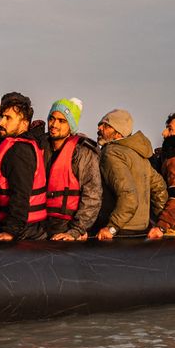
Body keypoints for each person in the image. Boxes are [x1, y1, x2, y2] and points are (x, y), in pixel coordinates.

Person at [93, 109, 167, 240]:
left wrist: (112, 227)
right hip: (142, 230)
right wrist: (161, 222)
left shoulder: (111, 153)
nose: (99, 128)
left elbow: (129, 196)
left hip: (119, 232)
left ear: (118, 132)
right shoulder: (138, 154)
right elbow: (159, 187)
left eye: (106, 125)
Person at [0, 92, 48, 241]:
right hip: (22, 226)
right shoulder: (12, 144)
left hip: (25, 231)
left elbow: (21, 194)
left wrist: (11, 232)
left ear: (24, 124)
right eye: (2, 117)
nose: (1, 123)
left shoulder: (20, 151)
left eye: (8, 118)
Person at [43, 97, 101, 241]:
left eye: (62, 121)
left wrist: (75, 231)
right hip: (41, 225)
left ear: (71, 125)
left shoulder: (82, 153)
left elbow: (92, 195)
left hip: (67, 226)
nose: (54, 124)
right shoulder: (41, 147)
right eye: (52, 118)